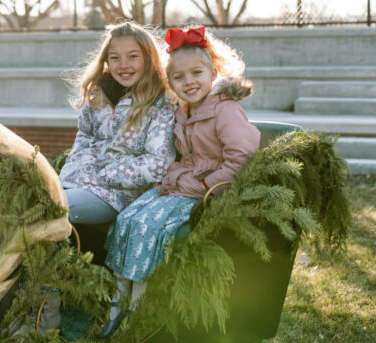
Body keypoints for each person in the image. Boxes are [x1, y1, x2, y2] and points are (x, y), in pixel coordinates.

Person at [101, 25, 261, 336]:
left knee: (150, 227)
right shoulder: (183, 111)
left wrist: (203, 186)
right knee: (129, 217)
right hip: (183, 187)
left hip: (208, 193)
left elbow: (242, 158)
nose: (189, 82)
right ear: (170, 81)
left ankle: (138, 310)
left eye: (196, 73)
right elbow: (184, 159)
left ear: (212, 72)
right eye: (179, 77)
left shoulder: (224, 111)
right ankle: (116, 302)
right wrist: (174, 179)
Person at [59, 21, 177, 225]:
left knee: (52, 208)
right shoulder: (98, 95)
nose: (123, 65)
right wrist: (79, 170)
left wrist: (106, 174)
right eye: (115, 58)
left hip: (117, 196)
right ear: (106, 61)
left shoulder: (160, 103)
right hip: (79, 183)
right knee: (29, 201)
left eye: (133, 56)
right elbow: (84, 136)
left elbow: (158, 163)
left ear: (148, 59)